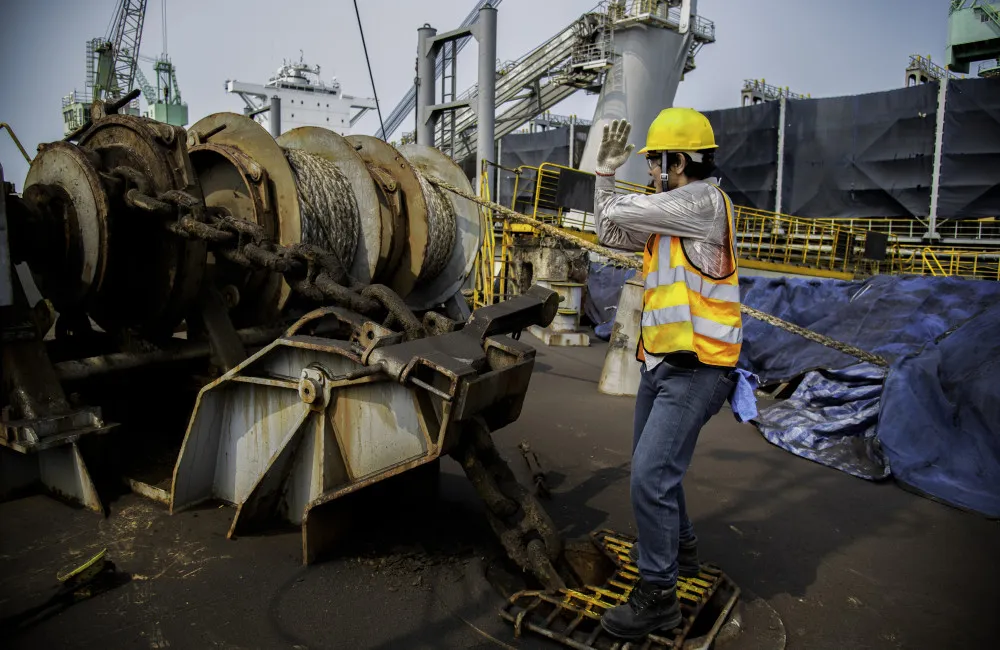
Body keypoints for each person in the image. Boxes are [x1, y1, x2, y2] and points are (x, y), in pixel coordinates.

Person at [593, 109, 742, 639]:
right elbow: (610, 232)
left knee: (650, 477)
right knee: (655, 469)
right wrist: (605, 179)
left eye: (656, 161)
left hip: (698, 367)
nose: (652, 170)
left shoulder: (700, 203)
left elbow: (623, 209)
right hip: (662, 363)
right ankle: (682, 552)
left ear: (679, 161)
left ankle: (658, 596)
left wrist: (610, 182)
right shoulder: (668, 215)